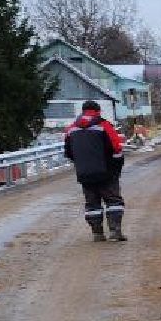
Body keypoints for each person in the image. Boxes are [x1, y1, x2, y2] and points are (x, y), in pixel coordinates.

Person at [63, 100, 126, 241]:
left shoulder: (71, 129)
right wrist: (117, 168)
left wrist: (82, 164)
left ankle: (97, 233)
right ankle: (115, 231)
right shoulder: (104, 125)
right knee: (113, 202)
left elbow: (68, 152)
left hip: (84, 174)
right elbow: (116, 148)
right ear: (98, 111)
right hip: (106, 172)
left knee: (92, 204)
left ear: (83, 111)